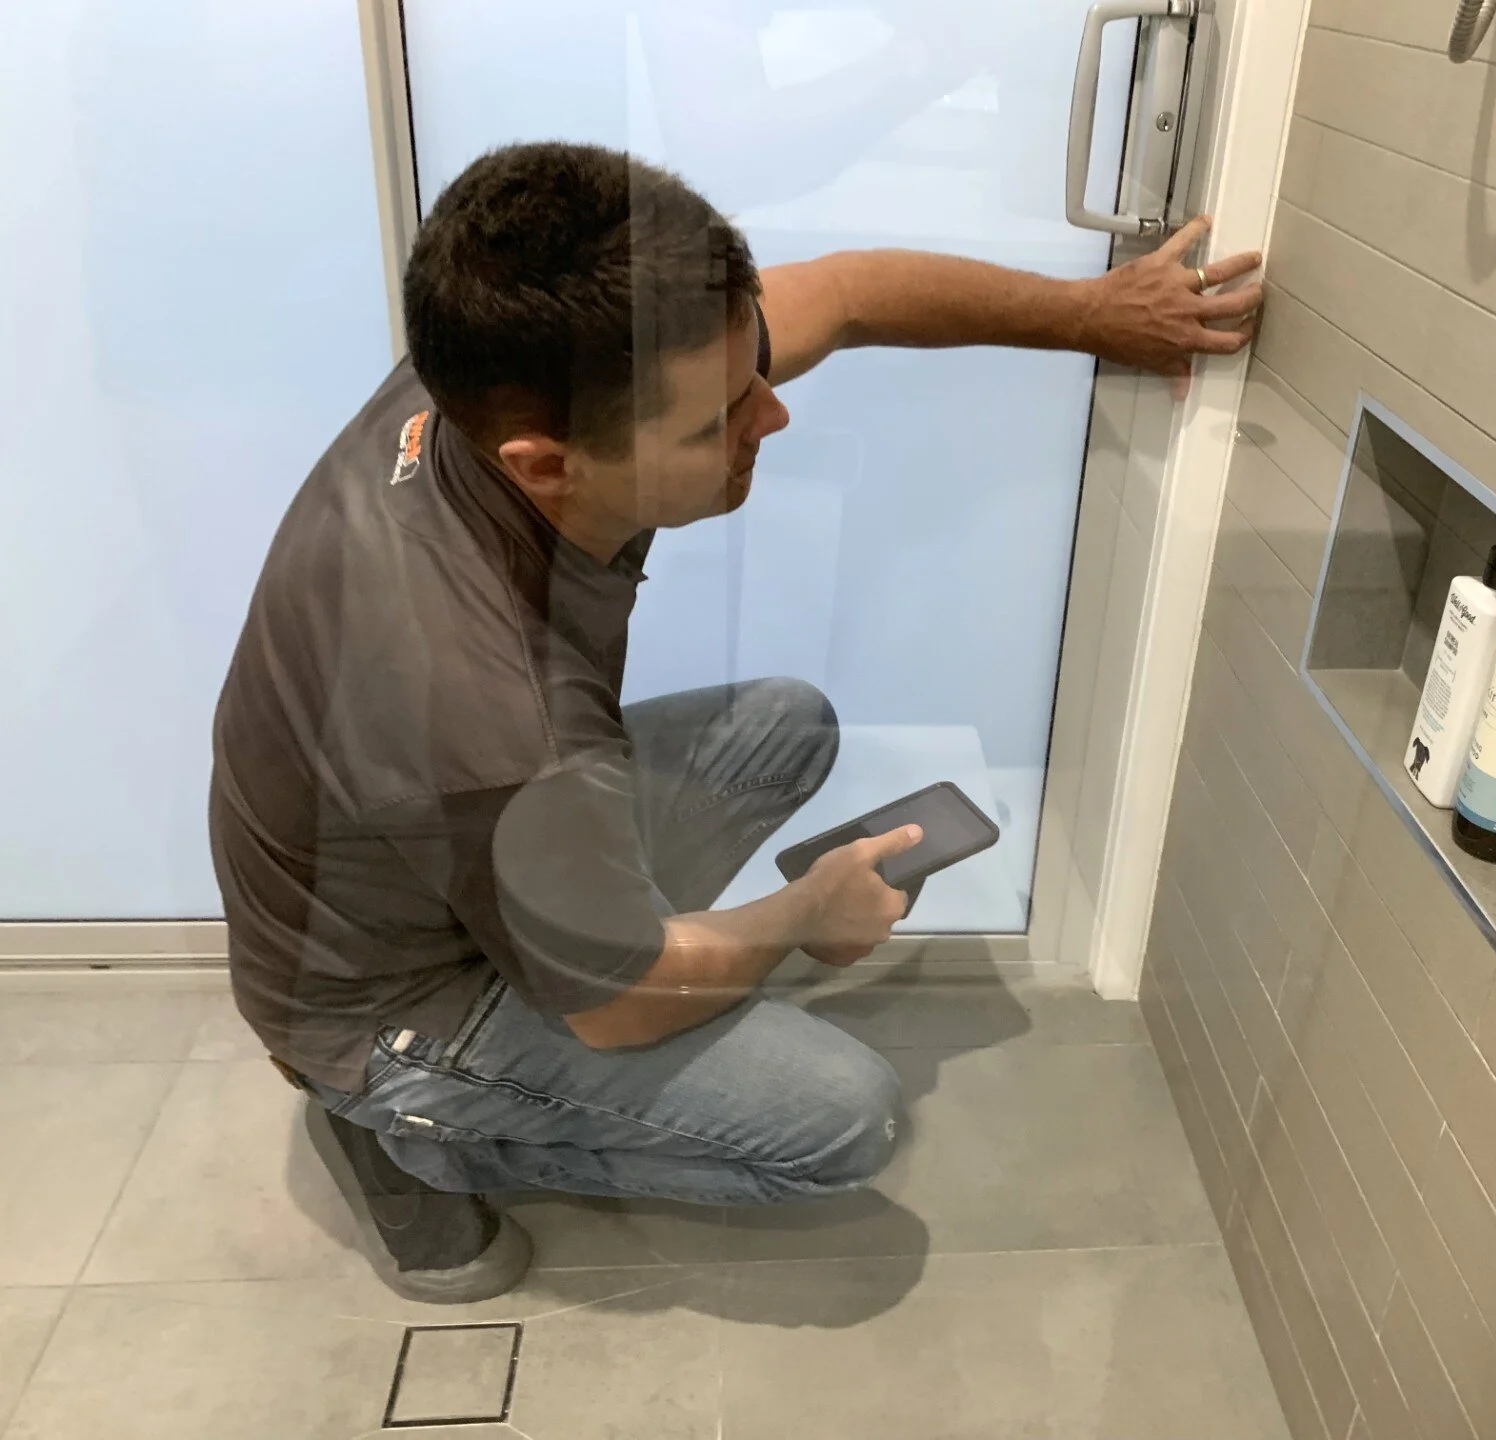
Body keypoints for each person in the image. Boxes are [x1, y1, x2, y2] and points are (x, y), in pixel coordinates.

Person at [209, 141, 1260, 1303]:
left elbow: (852, 295)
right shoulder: (485, 700)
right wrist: (803, 916)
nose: (773, 415)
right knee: (837, 1121)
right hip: (394, 997)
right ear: (547, 465)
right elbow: (613, 1016)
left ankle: (583, 929)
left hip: (452, 848)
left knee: (780, 727)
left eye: (753, 366)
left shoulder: (505, 363)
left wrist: (1094, 314)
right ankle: (404, 1127)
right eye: (720, 421)